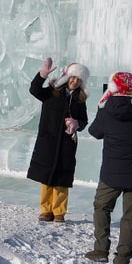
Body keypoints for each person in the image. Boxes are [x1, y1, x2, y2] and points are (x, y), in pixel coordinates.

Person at [85, 71, 132, 264]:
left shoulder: (106, 111)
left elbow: (94, 132)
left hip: (111, 175)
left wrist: (102, 104)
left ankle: (100, 249)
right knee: (130, 220)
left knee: (102, 206)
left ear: (112, 89)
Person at [26, 57, 89, 223]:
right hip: (48, 141)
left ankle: (59, 211)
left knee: (61, 179)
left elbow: (84, 121)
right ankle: (46, 210)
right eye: (73, 78)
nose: (74, 82)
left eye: (78, 80)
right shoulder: (51, 91)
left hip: (66, 144)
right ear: (67, 77)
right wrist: (41, 75)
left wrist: (77, 123)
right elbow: (34, 90)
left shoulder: (80, 100)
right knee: (47, 178)